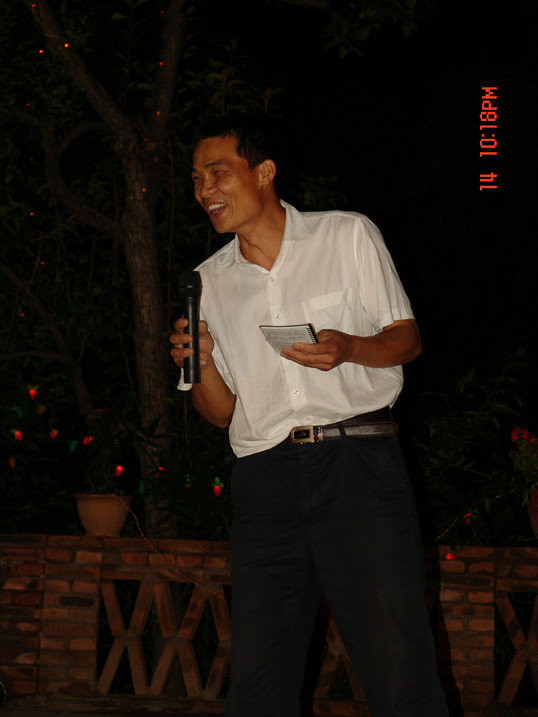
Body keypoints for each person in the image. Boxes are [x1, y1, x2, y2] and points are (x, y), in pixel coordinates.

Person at [170, 117, 449, 717]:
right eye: (195, 179)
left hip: (357, 463)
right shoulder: (208, 281)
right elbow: (219, 412)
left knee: (397, 665)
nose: (204, 190)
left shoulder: (346, 235)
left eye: (217, 172)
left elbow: (407, 339)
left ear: (263, 172)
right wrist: (203, 360)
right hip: (265, 480)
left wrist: (348, 347)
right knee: (257, 679)